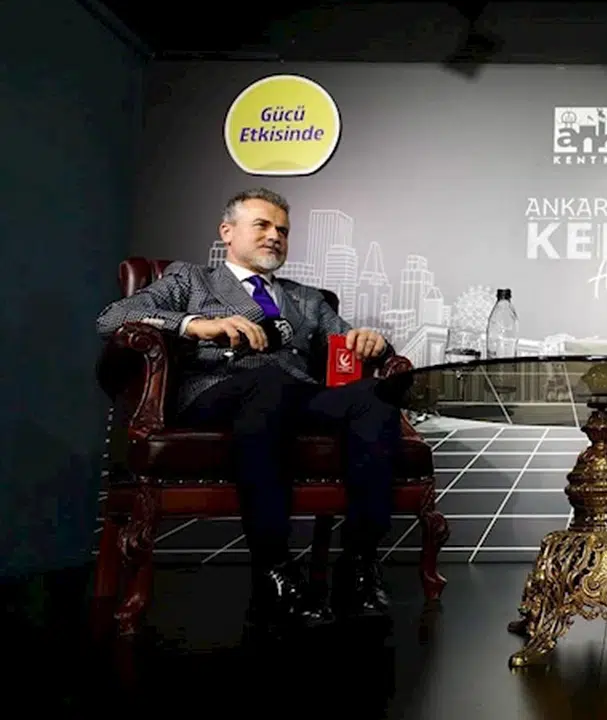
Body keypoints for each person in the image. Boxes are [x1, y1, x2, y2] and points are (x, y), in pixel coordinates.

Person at [96, 188, 401, 632]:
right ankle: (274, 570)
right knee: (268, 385)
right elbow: (112, 317)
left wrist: (372, 342)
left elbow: (349, 343)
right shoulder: (191, 280)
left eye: (283, 230)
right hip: (216, 392)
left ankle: (358, 564)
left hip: (294, 395)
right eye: (263, 225)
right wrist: (197, 325)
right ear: (228, 231)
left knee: (374, 397)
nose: (275, 235)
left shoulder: (307, 298)